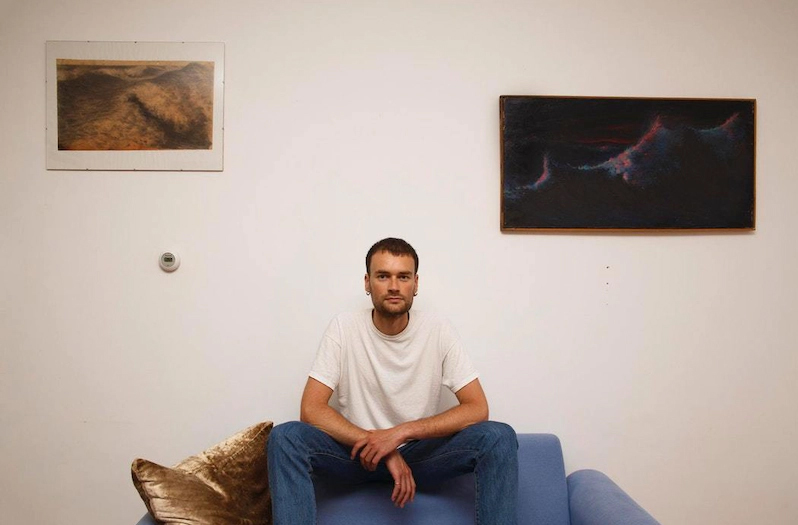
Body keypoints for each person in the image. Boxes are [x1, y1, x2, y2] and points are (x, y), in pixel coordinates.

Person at [267, 238, 518, 525]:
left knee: (498, 436)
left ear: (416, 284)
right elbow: (311, 409)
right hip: (356, 456)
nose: (394, 286)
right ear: (367, 282)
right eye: (383, 276)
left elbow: (477, 408)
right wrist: (380, 447)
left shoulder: (438, 329)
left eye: (404, 277)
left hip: (419, 456)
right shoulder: (343, 327)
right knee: (285, 437)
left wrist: (399, 434)